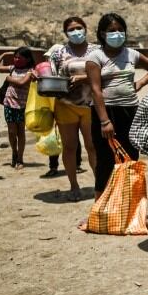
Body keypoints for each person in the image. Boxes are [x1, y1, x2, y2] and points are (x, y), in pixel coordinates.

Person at [86, 13, 148, 201]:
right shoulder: (95, 56)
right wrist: (104, 121)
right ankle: (100, 208)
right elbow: (95, 90)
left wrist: (140, 83)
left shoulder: (132, 54)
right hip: (105, 112)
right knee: (105, 160)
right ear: (102, 34)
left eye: (120, 30)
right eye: (112, 31)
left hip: (130, 112)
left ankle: (131, 208)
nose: (117, 34)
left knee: (131, 158)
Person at [48, 17, 100, 194]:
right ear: (65, 33)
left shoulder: (97, 50)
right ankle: (74, 186)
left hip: (91, 105)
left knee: (93, 146)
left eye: (79, 28)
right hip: (65, 105)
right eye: (71, 29)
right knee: (70, 147)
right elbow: (51, 76)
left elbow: (105, 74)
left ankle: (100, 186)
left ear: (86, 29)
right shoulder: (58, 52)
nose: (76, 32)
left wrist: (84, 78)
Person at [42, 43, 83, 178]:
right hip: (53, 105)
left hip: (67, 106)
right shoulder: (46, 71)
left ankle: (76, 164)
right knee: (53, 137)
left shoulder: (67, 68)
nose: (49, 61)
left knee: (72, 138)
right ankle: (54, 166)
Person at [0, 46, 36, 169]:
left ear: (27, 59)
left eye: (19, 58)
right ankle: (14, 153)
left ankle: (20, 158)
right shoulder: (12, 68)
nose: (16, 60)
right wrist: (4, 55)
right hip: (9, 104)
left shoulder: (31, 71)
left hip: (22, 106)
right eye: (15, 57)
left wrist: (9, 78)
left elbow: (22, 83)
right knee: (11, 132)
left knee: (21, 132)